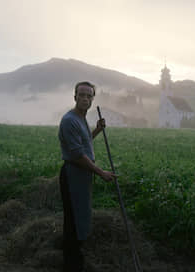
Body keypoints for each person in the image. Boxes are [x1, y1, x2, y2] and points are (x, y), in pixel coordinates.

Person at [58, 81, 116, 271]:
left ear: (92, 100)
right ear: (74, 97)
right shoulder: (69, 121)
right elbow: (77, 155)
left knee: (81, 216)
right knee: (74, 220)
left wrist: (97, 130)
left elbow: (83, 143)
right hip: (73, 174)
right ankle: (71, 264)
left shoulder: (81, 119)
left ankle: (76, 258)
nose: (85, 98)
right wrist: (101, 172)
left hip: (82, 176)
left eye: (89, 96)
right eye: (81, 95)